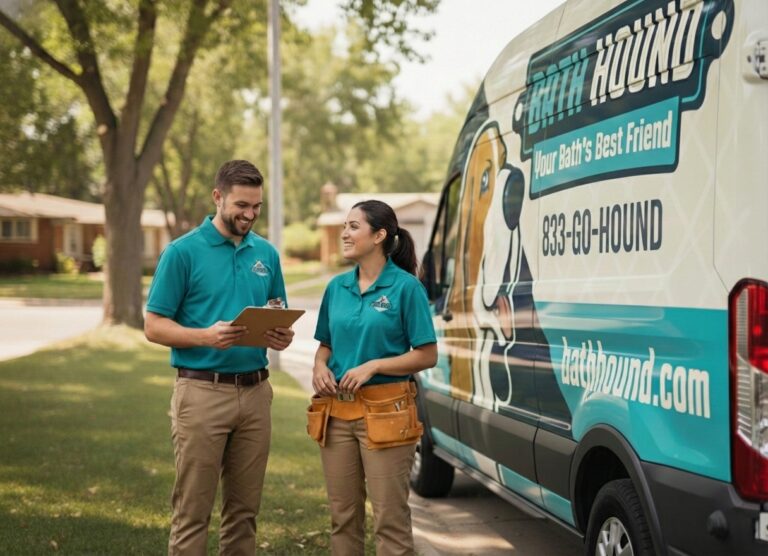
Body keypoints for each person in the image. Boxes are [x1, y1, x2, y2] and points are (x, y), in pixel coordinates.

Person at [144, 159, 294, 555]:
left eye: (256, 207)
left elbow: (276, 309)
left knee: (244, 514)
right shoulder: (182, 252)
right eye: (241, 205)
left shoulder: (266, 254)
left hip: (256, 394)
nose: (249, 214)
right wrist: (205, 337)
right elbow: (153, 326)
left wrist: (281, 335)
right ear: (217, 197)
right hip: (201, 393)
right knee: (193, 512)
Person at [310, 199, 437, 555]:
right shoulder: (336, 287)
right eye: (344, 226)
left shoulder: (406, 288)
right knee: (343, 518)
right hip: (336, 415)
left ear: (379, 235)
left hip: (387, 415)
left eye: (354, 226)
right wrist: (319, 366)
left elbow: (427, 354)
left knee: (390, 521)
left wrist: (375, 366)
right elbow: (325, 345)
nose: (345, 233)